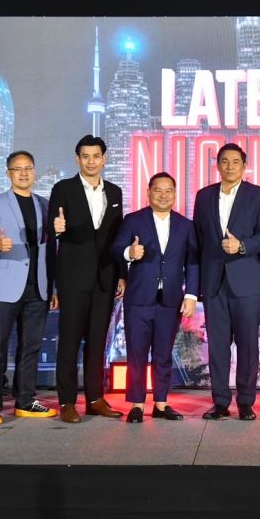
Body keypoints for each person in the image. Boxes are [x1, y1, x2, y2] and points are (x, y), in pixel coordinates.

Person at [47, 135, 125, 422]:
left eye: (96, 156)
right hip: (72, 278)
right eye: (85, 156)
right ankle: (67, 402)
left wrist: (121, 274)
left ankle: (95, 399)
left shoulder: (114, 192)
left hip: (105, 277)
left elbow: (118, 236)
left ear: (104, 159)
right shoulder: (63, 189)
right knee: (68, 342)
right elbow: (51, 231)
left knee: (97, 342)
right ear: (77, 159)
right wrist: (55, 227)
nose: (91, 161)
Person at [193, 143, 260, 421]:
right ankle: (220, 401)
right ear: (217, 165)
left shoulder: (258, 195)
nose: (230, 166)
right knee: (217, 346)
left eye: (235, 161)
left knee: (248, 345)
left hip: (246, 281)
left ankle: (246, 402)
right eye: (224, 161)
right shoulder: (204, 196)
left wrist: (242, 246)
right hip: (213, 282)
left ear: (244, 165)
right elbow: (198, 240)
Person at [0, 151, 58, 425]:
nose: (23, 173)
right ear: (8, 173)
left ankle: (25, 400)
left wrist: (53, 288)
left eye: (28, 168)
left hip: (38, 287)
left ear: (34, 172)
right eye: (17, 168)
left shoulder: (45, 205)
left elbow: (51, 251)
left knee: (31, 347)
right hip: (4, 287)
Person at [111, 172, 199, 423]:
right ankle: (137, 404)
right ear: (148, 192)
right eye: (158, 190)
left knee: (163, 354)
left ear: (175, 194)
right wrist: (129, 252)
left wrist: (191, 295)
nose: (163, 195)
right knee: (136, 354)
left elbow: (193, 263)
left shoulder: (186, 225)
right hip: (138, 298)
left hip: (170, 300)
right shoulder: (133, 220)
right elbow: (115, 249)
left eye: (168, 190)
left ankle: (161, 403)